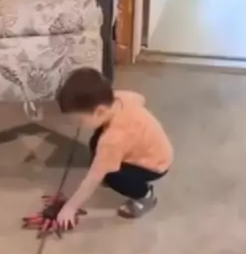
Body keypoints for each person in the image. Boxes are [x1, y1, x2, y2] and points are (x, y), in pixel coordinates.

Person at [56, 68, 173, 229]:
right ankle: (111, 164)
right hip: (158, 150)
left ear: (100, 111)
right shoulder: (119, 98)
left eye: (80, 121)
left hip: (154, 165)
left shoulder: (113, 140)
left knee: (113, 176)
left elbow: (93, 178)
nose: (77, 126)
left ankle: (145, 196)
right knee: (97, 141)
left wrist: (70, 207)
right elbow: (140, 98)